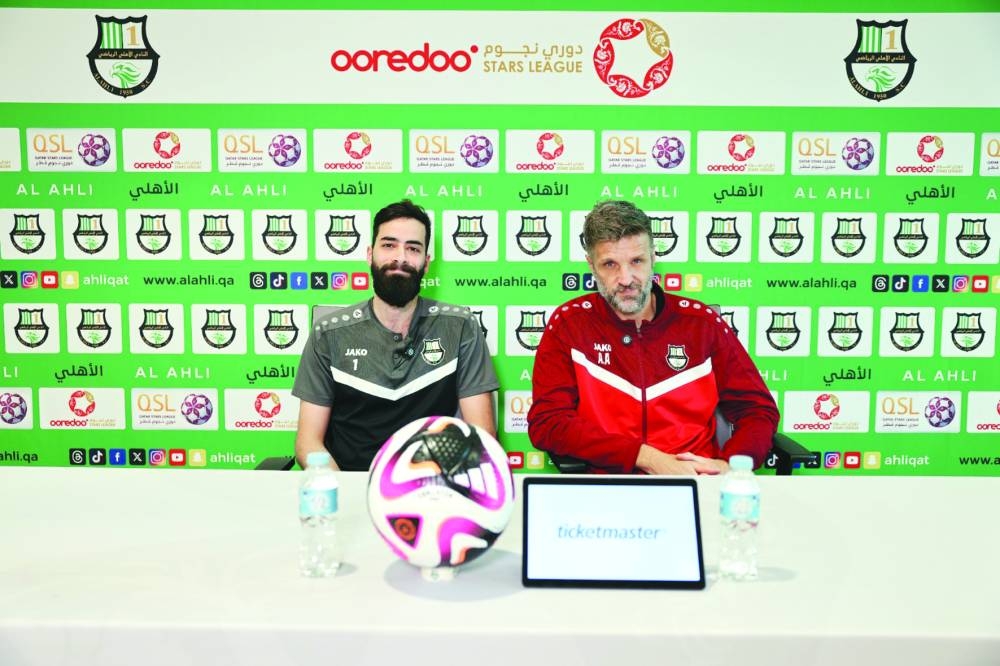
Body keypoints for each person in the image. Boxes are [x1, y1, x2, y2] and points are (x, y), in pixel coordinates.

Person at [527, 200, 779, 475]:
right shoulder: (569, 324)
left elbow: (758, 410)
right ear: (591, 265)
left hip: (694, 481)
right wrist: (643, 456)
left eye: (637, 261)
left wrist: (730, 466)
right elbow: (547, 423)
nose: (626, 278)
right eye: (610, 264)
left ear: (653, 257)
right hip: (609, 485)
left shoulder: (702, 323)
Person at [292, 199, 499, 471]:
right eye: (389, 245)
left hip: (431, 489)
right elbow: (308, 443)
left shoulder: (460, 327)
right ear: (370, 254)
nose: (400, 257)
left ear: (426, 263)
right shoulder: (329, 333)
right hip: (352, 487)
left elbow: (481, 437)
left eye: (412, 248)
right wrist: (344, 491)